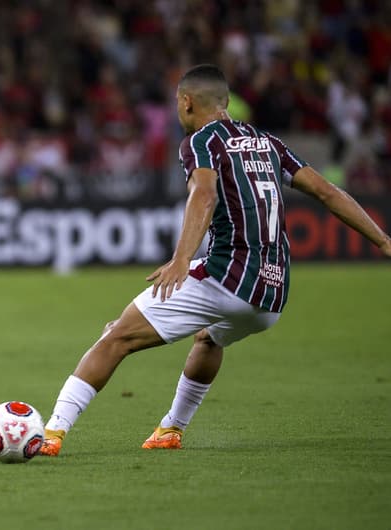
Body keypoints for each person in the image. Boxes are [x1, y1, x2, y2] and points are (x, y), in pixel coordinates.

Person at [39, 64, 391, 456]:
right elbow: (326, 192)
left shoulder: (200, 142)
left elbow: (203, 195)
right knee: (209, 338)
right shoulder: (267, 142)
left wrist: (180, 259)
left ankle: (51, 434)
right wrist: (383, 241)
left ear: (187, 102)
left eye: (177, 103)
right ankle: (171, 429)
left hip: (227, 277)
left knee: (115, 336)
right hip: (272, 296)